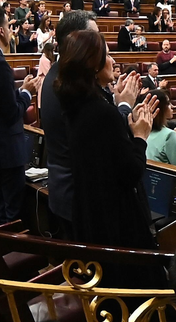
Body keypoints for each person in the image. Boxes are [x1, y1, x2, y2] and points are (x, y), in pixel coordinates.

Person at [55, 29, 159, 259]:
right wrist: (140, 136)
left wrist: (117, 103)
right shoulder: (102, 112)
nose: (113, 61)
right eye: (108, 55)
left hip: (90, 217)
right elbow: (130, 172)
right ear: (94, 65)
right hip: (116, 224)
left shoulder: (75, 104)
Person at [0, 6, 42, 224]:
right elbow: (12, 113)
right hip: (7, 150)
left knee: (0, 208)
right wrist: (27, 93)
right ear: (1, 31)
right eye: (8, 26)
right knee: (11, 213)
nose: (12, 31)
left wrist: (20, 91)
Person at [145, 89, 176, 166]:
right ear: (160, 108)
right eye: (168, 103)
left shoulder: (141, 132)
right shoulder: (170, 135)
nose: (172, 106)